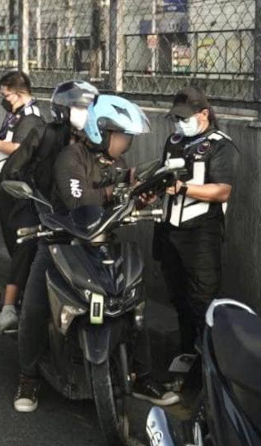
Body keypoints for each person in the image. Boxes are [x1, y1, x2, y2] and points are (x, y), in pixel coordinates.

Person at [13, 94, 180, 413]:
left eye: (126, 138)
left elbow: (119, 196)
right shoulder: (70, 158)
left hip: (102, 243)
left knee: (135, 303)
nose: (124, 145)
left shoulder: (114, 163)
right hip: (60, 242)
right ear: (100, 132)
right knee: (34, 308)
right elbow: (80, 201)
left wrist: (139, 199)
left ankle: (143, 376)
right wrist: (113, 191)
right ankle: (28, 377)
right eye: (121, 137)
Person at [148, 87, 236, 367]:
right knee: (179, 298)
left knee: (202, 301)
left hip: (200, 235)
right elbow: (164, 176)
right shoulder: (174, 140)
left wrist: (183, 188)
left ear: (204, 114)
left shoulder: (219, 144)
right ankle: (187, 353)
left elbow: (222, 191)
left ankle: (209, 364)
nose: (180, 123)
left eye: (186, 118)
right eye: (176, 118)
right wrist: (155, 190)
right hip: (169, 232)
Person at [0, 71, 48, 334]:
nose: (3, 100)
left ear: (18, 93)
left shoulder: (32, 119)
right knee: (12, 243)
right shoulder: (15, 115)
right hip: (5, 188)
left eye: (5, 95)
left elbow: (18, 148)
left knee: (22, 245)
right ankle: (16, 298)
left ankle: (15, 303)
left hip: (19, 192)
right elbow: (7, 141)